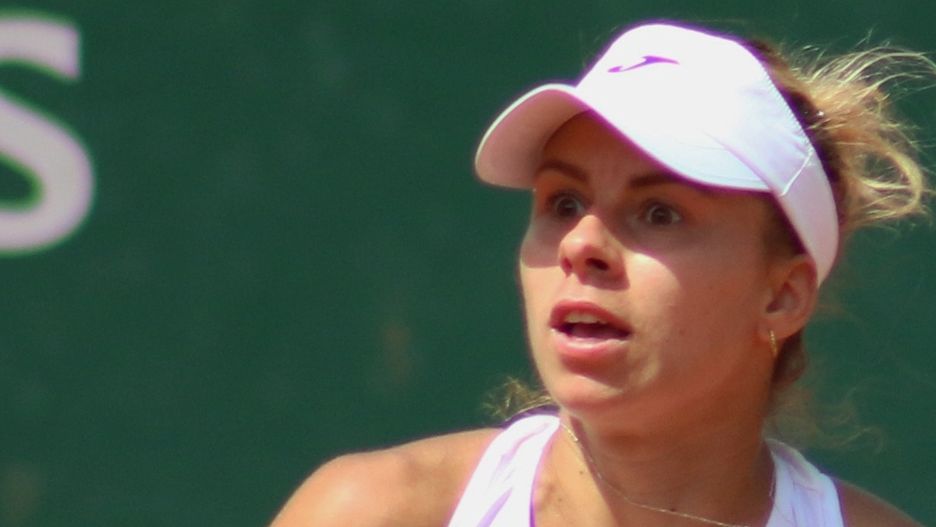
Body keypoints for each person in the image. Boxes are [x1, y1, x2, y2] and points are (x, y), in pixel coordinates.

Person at [270, 21, 931, 527]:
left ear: (782, 295)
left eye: (660, 212)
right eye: (563, 203)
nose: (581, 242)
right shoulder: (370, 513)